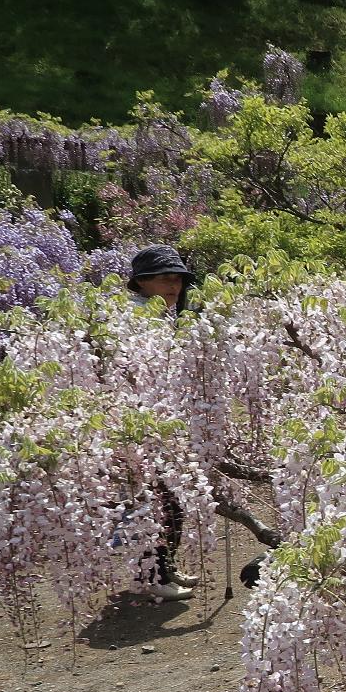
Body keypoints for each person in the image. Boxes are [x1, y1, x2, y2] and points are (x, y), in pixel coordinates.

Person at [127, 246, 198, 600]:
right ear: (142, 282)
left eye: (179, 280)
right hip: (141, 425)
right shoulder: (132, 317)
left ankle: (163, 567)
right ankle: (151, 576)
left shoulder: (164, 315)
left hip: (164, 421)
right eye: (166, 279)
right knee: (156, 501)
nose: (175, 286)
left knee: (170, 498)